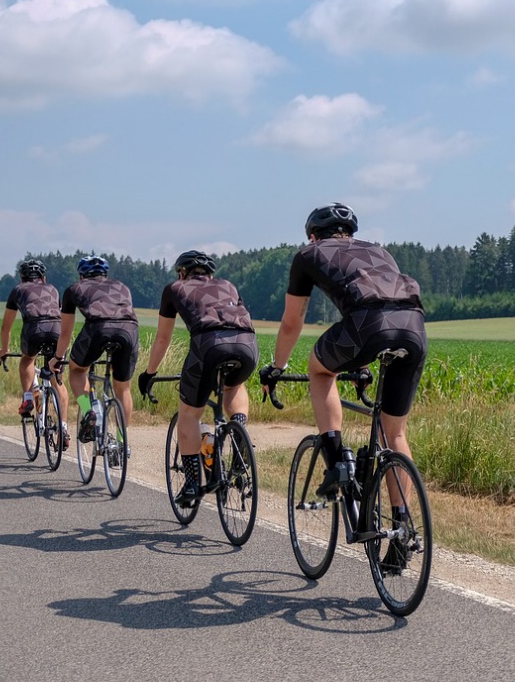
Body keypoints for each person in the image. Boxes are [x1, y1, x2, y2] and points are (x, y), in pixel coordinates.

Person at [259, 203, 427, 511]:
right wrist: (363, 367)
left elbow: (292, 322)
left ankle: (337, 461)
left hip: (367, 328)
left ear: (313, 236)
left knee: (321, 371)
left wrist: (277, 367)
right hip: (414, 327)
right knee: (395, 434)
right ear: (350, 233)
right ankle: (402, 530)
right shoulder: (379, 252)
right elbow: (379, 299)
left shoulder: (308, 255)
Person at [137, 250, 258, 507]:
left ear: (182, 273)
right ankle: (238, 430)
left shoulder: (175, 287)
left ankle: (192, 483)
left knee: (189, 415)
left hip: (209, 345)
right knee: (234, 384)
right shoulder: (228, 285)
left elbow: (162, 338)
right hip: (247, 345)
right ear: (210, 274)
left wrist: (149, 373)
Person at [54, 255, 140, 445]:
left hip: (98, 329)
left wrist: (57, 358)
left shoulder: (73, 289)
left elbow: (66, 332)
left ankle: (89, 411)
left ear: (81, 275)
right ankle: (121, 442)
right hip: (129, 330)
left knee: (77, 370)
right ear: (105, 274)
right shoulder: (122, 286)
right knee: (123, 387)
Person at [0, 259, 69, 447]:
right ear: (43, 278)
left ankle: (28, 399)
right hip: (56, 330)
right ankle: (63, 429)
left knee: (27, 360)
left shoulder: (18, 290)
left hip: (33, 330)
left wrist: (4, 351)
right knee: (57, 378)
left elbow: (6, 327)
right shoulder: (52, 289)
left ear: (21, 277)